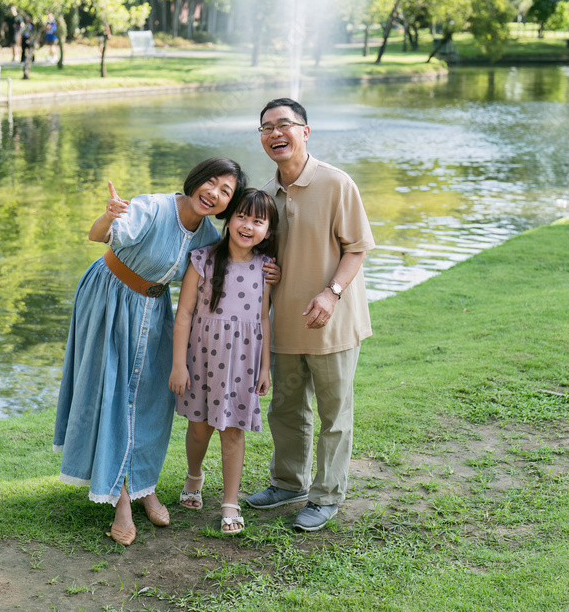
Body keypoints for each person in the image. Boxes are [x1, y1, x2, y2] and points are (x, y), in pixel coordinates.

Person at [53, 158, 246, 546]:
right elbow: (98, 236)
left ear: (229, 204)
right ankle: (121, 499)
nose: (214, 194)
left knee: (153, 398)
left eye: (226, 191)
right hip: (109, 298)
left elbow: (231, 265)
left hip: (154, 310)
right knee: (111, 391)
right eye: (210, 182)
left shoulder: (208, 236)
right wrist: (108, 217)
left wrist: (267, 271)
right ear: (194, 180)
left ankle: (143, 485)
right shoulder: (152, 207)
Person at [246, 98, 375, 531]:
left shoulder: (337, 184)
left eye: (285, 125)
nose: (275, 134)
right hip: (285, 324)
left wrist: (331, 292)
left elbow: (355, 248)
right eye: (267, 128)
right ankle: (288, 482)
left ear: (305, 131)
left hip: (332, 321)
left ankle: (326, 496)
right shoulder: (265, 196)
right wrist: (266, 266)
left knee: (333, 414)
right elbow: (256, 253)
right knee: (285, 408)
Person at [169, 189, 278, 535]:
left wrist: (264, 367)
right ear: (228, 219)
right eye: (241, 216)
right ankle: (194, 476)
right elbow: (184, 312)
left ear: (268, 231)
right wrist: (178, 364)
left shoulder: (266, 268)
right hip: (201, 357)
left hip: (242, 362)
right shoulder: (202, 259)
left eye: (258, 221)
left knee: (233, 432)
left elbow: (263, 320)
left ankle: (230, 502)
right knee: (199, 428)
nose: (248, 226)